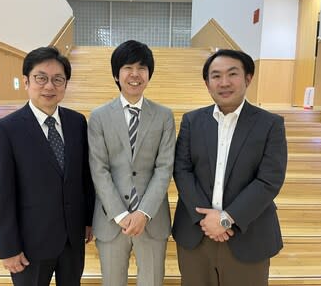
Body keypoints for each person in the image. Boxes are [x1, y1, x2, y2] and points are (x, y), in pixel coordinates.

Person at [172, 49, 288, 286]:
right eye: (216, 76)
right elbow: (182, 171)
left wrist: (225, 219)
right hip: (197, 233)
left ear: (248, 78)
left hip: (248, 234)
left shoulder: (270, 124)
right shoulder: (192, 121)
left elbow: (269, 180)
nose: (224, 82)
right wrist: (207, 220)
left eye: (232, 74)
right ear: (207, 83)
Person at [0, 46, 95, 286]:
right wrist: (8, 248)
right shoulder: (6, 129)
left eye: (58, 79)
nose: (49, 86)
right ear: (26, 81)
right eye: (41, 78)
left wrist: (88, 220)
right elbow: (0, 193)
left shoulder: (77, 122)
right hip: (29, 246)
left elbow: (84, 177)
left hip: (72, 240)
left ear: (66, 84)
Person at [87, 40, 176, 286]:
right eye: (128, 67)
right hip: (111, 219)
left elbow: (164, 168)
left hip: (152, 218)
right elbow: (99, 169)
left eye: (142, 67)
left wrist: (143, 213)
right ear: (117, 74)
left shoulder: (164, 116)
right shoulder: (99, 117)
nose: (135, 74)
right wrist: (120, 214)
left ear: (149, 74)